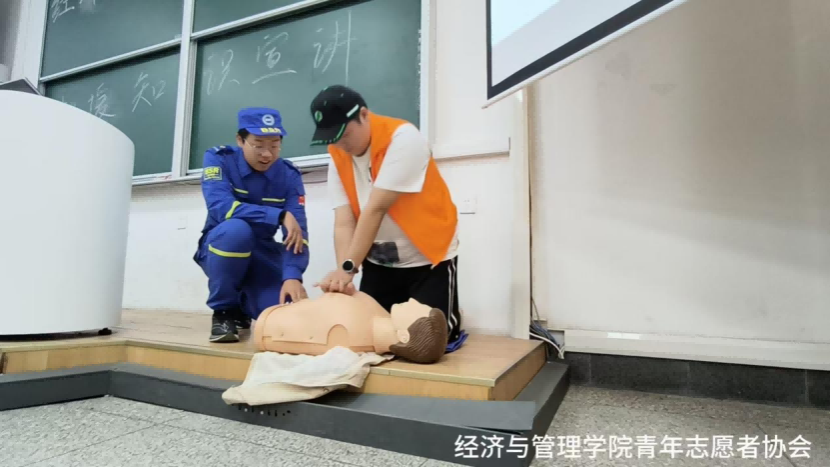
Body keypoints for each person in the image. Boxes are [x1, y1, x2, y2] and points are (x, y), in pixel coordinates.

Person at [308, 85, 463, 345]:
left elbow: (375, 209)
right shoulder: (337, 154)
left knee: (427, 341)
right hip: (379, 260)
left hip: (427, 258)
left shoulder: (403, 138)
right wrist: (343, 275)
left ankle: (450, 319)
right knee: (371, 338)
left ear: (364, 115)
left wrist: (348, 268)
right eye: (333, 137)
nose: (341, 143)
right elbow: (344, 221)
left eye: (345, 134)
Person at [193, 107, 310, 343]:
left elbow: (298, 233)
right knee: (237, 231)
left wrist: (292, 276)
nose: (267, 154)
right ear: (240, 140)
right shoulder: (219, 159)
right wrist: (278, 215)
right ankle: (224, 311)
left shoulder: (289, 174)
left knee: (285, 318)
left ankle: (243, 306)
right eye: (258, 145)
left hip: (262, 252)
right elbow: (221, 207)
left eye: (275, 145)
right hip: (223, 245)